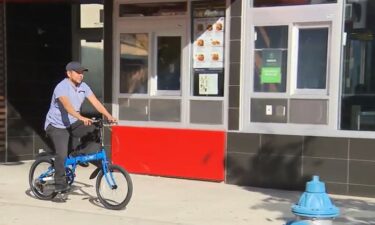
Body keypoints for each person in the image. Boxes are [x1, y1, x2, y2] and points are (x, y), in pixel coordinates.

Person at [44, 61, 117, 192]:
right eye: (78, 72)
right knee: (61, 154)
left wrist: (108, 115)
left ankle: (80, 154)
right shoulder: (61, 87)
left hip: (72, 122)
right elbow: (68, 107)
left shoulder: (84, 87)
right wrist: (82, 118)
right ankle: (59, 185)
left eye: (82, 72)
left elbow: (96, 102)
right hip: (56, 126)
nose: (81, 75)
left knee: (93, 130)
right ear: (69, 73)